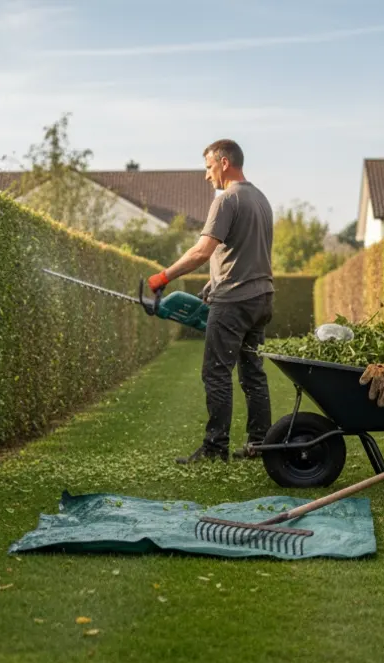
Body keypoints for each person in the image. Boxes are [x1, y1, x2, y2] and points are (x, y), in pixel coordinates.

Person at [147, 139, 274, 463]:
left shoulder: (227, 199)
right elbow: (243, 253)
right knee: (252, 373)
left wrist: (164, 276)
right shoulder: (260, 199)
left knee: (216, 373)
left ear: (224, 162)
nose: (207, 175)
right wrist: (213, 282)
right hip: (261, 298)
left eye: (208, 167)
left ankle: (215, 448)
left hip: (234, 301)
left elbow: (202, 250)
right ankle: (261, 444)